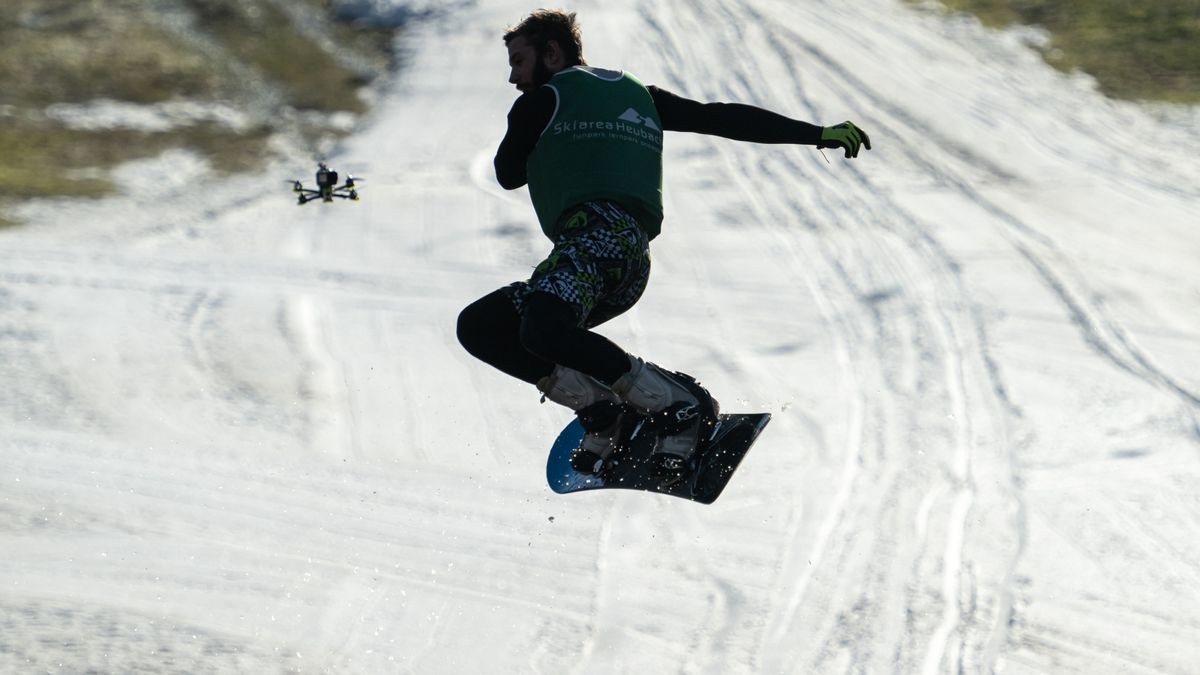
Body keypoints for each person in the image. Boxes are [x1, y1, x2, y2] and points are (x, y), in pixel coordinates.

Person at [457, 9, 870, 482]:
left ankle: (674, 404)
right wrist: (815, 133)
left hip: (594, 243)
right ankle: (601, 409)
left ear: (551, 53)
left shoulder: (539, 100)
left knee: (537, 332)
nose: (512, 77)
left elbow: (507, 175)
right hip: (624, 260)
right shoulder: (639, 96)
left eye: (518, 61)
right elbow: (722, 118)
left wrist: (536, 126)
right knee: (484, 326)